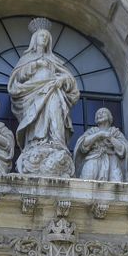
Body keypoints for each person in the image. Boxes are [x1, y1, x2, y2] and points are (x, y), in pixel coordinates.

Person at [7, 24, 80, 175]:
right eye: (42, 36)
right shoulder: (27, 59)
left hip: (53, 91)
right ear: (35, 39)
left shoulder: (54, 60)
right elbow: (17, 78)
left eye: (47, 37)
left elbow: (70, 80)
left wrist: (62, 80)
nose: (45, 39)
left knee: (55, 111)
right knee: (36, 116)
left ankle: (56, 142)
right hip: (32, 94)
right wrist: (36, 64)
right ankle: (35, 142)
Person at [72, 107, 128, 183]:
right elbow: (83, 144)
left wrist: (110, 138)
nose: (100, 114)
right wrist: (99, 134)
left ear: (109, 117)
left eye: (103, 112)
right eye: (98, 114)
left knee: (118, 182)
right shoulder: (92, 131)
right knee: (85, 182)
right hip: (93, 159)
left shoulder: (115, 132)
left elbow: (123, 150)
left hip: (112, 160)